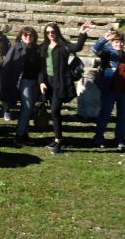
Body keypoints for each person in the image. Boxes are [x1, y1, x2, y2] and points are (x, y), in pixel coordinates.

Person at [38, 20, 93, 154]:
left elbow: (77, 47)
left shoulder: (63, 46)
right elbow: (41, 67)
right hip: (47, 82)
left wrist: (82, 34)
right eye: (48, 32)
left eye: (52, 31)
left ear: (57, 32)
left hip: (60, 83)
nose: (50, 34)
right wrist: (41, 82)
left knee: (55, 110)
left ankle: (58, 141)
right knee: (54, 112)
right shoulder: (43, 47)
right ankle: (58, 137)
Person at [92, 30, 125, 151]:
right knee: (105, 115)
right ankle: (98, 138)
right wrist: (104, 39)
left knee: (122, 117)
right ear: (112, 42)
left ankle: (119, 140)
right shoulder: (108, 53)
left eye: (121, 42)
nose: (119, 44)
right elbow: (95, 50)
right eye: (116, 42)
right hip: (110, 89)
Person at [1, 27, 44, 146]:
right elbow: (7, 66)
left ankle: (25, 135)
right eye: (25, 35)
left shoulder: (36, 49)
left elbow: (40, 67)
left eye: (31, 35)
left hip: (34, 82)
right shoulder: (16, 47)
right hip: (23, 81)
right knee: (27, 107)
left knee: (28, 109)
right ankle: (19, 136)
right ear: (21, 36)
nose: (28, 37)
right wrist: (6, 84)